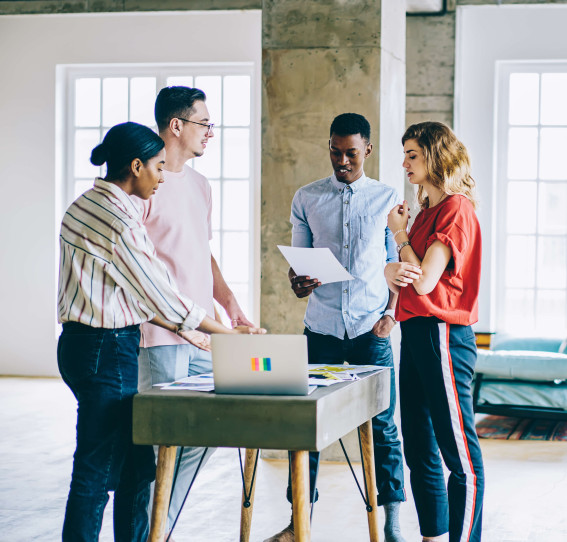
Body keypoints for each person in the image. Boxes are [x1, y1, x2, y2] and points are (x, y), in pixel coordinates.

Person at [57, 121, 264, 542]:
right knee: (95, 471)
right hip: (106, 350)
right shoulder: (121, 220)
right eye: (156, 167)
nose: (162, 176)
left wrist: (193, 331)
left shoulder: (83, 205)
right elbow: (162, 293)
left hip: (82, 346)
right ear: (136, 166)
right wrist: (223, 334)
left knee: (135, 466)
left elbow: (134, 295)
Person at [265, 113, 406, 542]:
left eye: (350, 153)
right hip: (321, 329)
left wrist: (390, 317)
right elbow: (298, 270)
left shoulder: (386, 198)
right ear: (328, 146)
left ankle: (392, 522)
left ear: (367, 150)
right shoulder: (307, 198)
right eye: (335, 150)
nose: (341, 160)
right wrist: (298, 282)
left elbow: (398, 262)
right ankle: (298, 522)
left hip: (370, 330)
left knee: (383, 425)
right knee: (304, 425)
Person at [136, 85, 256, 535]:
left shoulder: (201, 185)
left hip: (206, 334)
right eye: (205, 123)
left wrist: (231, 305)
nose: (212, 132)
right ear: (177, 126)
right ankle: (151, 530)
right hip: (161, 336)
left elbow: (202, 253)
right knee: (164, 442)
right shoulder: (144, 183)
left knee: (209, 430)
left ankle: (158, 526)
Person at [385, 121, 484, 542]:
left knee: (459, 455)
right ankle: (433, 536)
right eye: (404, 154)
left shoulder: (456, 208)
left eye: (413, 154)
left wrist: (399, 236)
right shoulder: (426, 211)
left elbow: (423, 282)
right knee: (420, 448)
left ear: (435, 155)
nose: (405, 162)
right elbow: (404, 275)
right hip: (415, 333)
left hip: (443, 335)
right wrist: (393, 266)